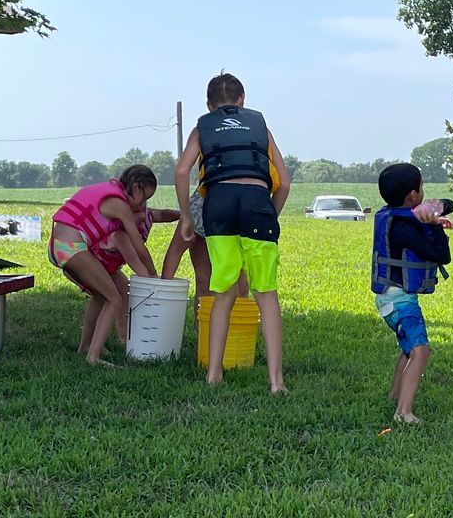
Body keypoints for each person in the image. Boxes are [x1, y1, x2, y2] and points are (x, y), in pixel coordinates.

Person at [173, 73, 291, 392]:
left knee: (223, 293)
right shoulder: (260, 128)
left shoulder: (202, 128)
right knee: (265, 294)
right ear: (242, 100)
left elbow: (182, 171)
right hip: (257, 205)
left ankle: (214, 374)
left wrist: (186, 216)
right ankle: (276, 381)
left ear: (209, 105)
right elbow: (285, 182)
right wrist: (270, 215)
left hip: (220, 205)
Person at [49, 164, 174, 364]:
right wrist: (152, 275)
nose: (144, 205)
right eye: (145, 197)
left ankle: (86, 346)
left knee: (101, 296)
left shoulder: (117, 198)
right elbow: (138, 249)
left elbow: (161, 215)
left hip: (62, 245)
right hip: (70, 246)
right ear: (136, 187)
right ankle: (94, 356)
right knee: (114, 299)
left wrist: (183, 215)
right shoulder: (119, 205)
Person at [372, 163, 453, 425]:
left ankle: (395, 395)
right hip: (400, 301)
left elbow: (449, 204)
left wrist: (436, 207)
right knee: (420, 350)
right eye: (421, 187)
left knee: (407, 349)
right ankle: (403, 412)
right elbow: (442, 256)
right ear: (412, 195)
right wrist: (436, 227)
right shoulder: (405, 229)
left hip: (389, 298)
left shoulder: (395, 217)